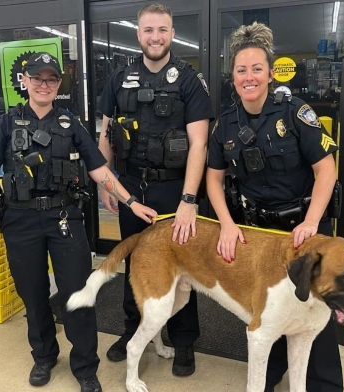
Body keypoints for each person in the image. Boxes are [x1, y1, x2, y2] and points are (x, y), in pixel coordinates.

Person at [0, 52, 157, 392]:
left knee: (77, 295)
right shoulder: (8, 123)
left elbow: (99, 170)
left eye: (50, 79)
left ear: (58, 85)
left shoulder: (72, 125)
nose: (43, 85)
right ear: (24, 81)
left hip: (65, 218)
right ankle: (44, 356)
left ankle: (85, 366)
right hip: (20, 221)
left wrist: (130, 201)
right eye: (37, 78)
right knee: (33, 294)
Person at [206, 23, 343, 392]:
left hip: (303, 224)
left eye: (255, 69)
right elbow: (213, 180)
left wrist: (313, 222)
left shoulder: (296, 113)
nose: (248, 77)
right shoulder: (225, 125)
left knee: (316, 305)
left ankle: (324, 384)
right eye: (240, 70)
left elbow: (326, 169)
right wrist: (226, 225)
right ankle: (271, 373)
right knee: (270, 306)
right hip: (259, 233)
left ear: (268, 73)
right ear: (232, 76)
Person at [96, 3, 214, 377]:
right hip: (130, 186)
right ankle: (134, 332)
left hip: (173, 191)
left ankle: (183, 342)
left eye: (162, 30)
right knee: (136, 263)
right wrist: (107, 185)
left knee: (184, 266)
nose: (155, 37)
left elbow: (199, 145)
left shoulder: (189, 81)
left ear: (172, 34)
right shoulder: (119, 79)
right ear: (138, 35)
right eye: (148, 30)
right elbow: (106, 135)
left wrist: (189, 200)